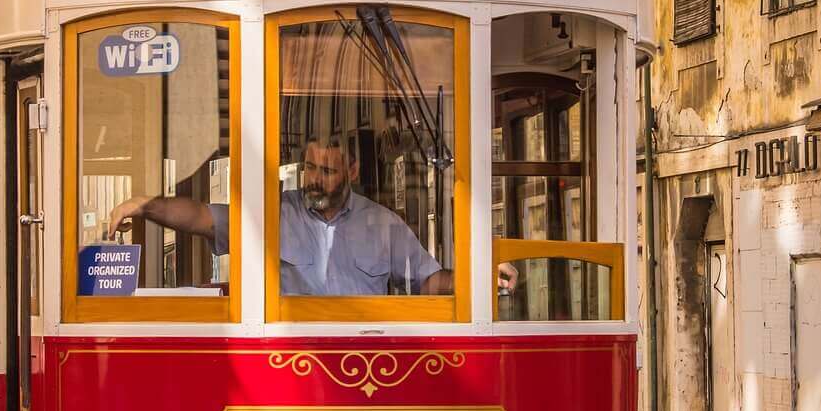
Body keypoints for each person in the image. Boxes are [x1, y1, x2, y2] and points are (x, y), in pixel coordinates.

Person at [108, 137, 517, 298]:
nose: (315, 181)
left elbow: (429, 281)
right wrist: (144, 205)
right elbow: (202, 217)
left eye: (327, 171)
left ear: (352, 172)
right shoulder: (274, 214)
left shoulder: (383, 225)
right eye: (310, 168)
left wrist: (480, 278)